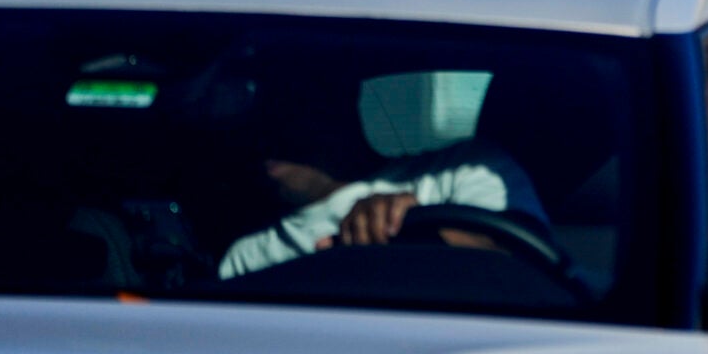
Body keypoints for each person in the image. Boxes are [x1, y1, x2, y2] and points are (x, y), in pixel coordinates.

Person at [218, 141, 546, 278]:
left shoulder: (465, 168)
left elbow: (527, 266)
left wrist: (418, 231)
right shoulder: (250, 256)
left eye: (292, 100)